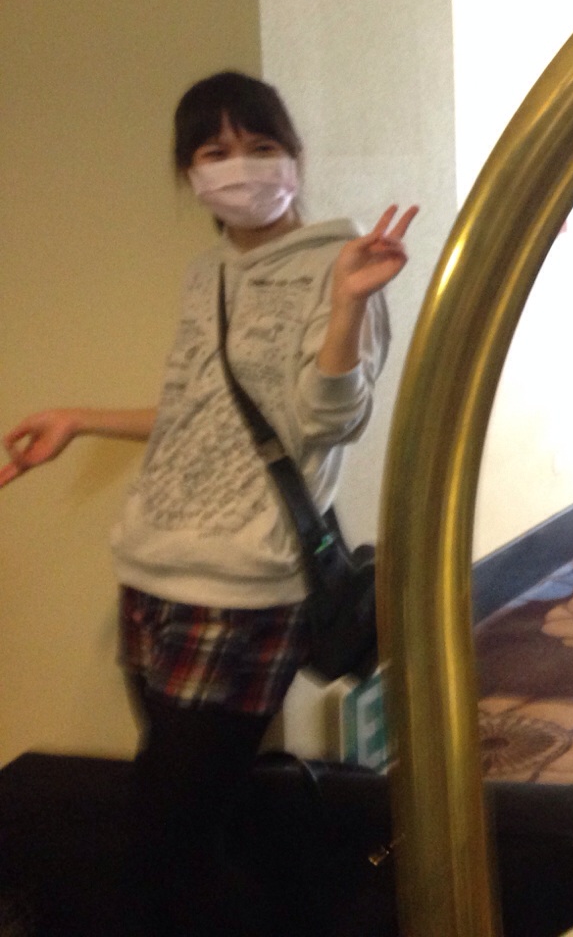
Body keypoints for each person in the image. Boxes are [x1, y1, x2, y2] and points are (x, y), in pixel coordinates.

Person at [0, 71, 417, 936]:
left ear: (294, 159)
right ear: (189, 174)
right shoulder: (209, 274)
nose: (241, 167)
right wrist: (81, 420)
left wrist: (347, 308)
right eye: (215, 151)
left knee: (166, 842)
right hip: (150, 571)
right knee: (192, 816)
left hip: (242, 591)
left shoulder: (343, 265)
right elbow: (201, 411)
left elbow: (327, 422)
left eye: (261, 146)